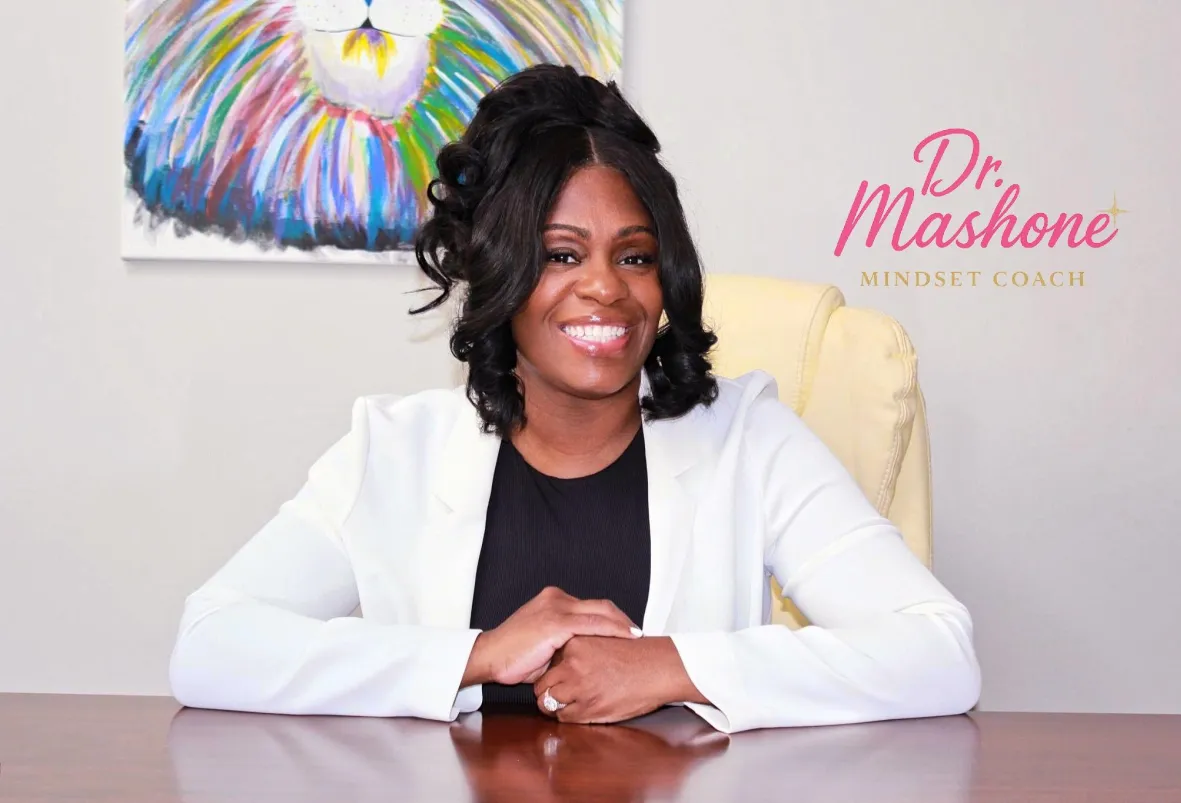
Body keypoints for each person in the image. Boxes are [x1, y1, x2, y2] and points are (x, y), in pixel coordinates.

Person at [168, 64, 981, 733]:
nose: (605, 288)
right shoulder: (393, 448)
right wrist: (476, 654)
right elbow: (210, 644)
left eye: (635, 257)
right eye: (561, 254)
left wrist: (673, 664)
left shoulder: (748, 438)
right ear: (502, 273)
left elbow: (939, 651)